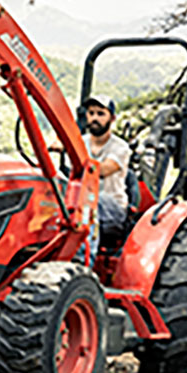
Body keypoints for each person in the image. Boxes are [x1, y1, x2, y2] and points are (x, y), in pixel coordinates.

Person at [80, 94, 131, 264]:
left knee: (92, 203)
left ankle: (84, 262)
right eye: (91, 113)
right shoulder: (80, 142)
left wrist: (69, 151)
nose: (94, 118)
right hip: (79, 202)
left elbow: (102, 170)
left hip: (113, 208)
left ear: (112, 118)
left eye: (100, 114)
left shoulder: (121, 147)